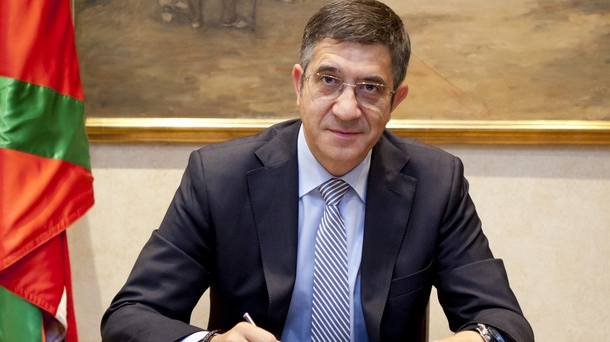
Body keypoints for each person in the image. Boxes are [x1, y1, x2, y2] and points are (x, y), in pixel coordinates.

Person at [101, 1, 534, 341]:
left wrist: (474, 338)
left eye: (370, 88)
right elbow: (131, 315)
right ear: (298, 84)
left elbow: (503, 322)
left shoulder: (436, 183)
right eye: (328, 79)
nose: (346, 109)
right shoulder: (219, 177)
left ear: (395, 101)